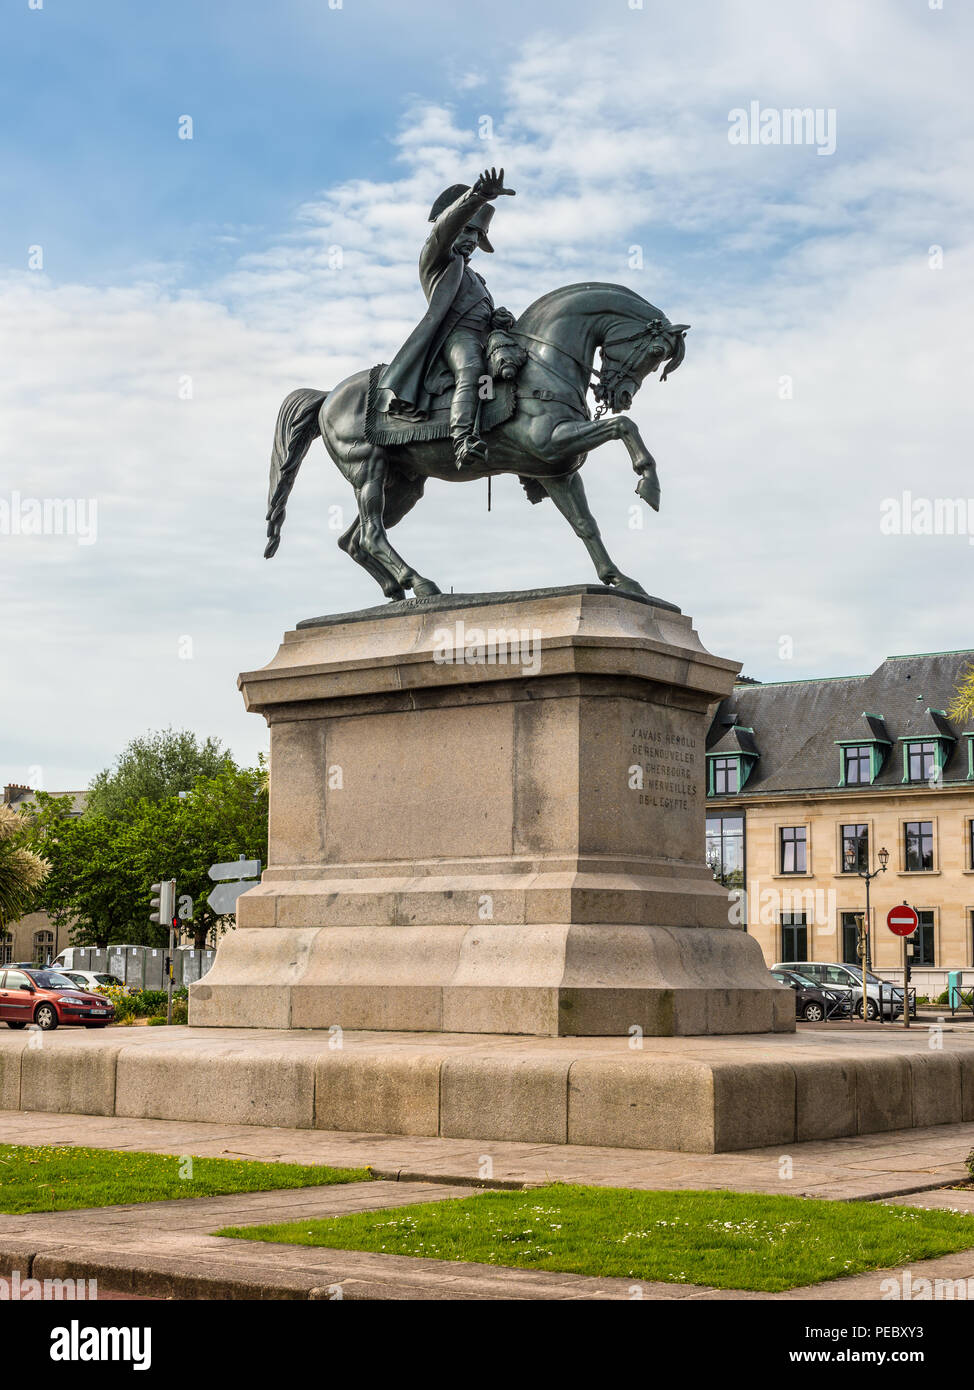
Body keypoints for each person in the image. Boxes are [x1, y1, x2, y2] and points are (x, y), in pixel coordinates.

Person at [379, 166, 516, 467]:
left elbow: (482, 311)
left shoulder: (476, 277)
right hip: (454, 337)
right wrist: (477, 197)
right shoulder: (438, 260)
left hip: (483, 337)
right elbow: (445, 228)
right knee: (471, 368)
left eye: (477, 235)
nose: (471, 240)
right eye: (467, 230)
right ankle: (463, 438)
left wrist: (498, 319)